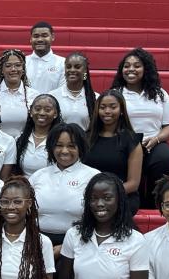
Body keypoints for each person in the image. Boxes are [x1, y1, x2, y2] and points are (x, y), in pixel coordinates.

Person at [111, 47, 169, 208]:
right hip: (125, 144)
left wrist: (156, 139)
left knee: (168, 159)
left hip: (153, 142)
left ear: (146, 69)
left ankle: (156, 203)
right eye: (127, 66)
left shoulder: (159, 94)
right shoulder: (115, 93)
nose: (131, 69)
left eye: (137, 65)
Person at [29, 123, 99, 252]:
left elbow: (98, 220)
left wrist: (64, 248)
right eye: (59, 145)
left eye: (71, 146)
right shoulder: (37, 176)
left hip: (80, 243)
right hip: (37, 243)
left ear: (81, 148)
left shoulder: (93, 177)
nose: (64, 151)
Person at [84, 90, 143, 215]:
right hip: (88, 194)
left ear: (121, 110)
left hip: (121, 195)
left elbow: (133, 184)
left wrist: (105, 195)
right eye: (103, 107)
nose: (107, 111)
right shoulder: (86, 138)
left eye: (113, 107)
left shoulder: (132, 140)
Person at [0, 49, 40, 138]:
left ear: (23, 69)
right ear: (1, 70)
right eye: (8, 66)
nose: (13, 69)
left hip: (25, 145)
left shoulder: (34, 96)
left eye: (18, 65)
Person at [14, 93, 64, 177]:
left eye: (47, 110)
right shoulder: (19, 139)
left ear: (55, 113)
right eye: (37, 109)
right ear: (30, 112)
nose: (41, 113)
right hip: (24, 187)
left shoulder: (60, 139)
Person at [51, 52, 97, 131]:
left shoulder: (95, 98)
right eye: (68, 67)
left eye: (77, 67)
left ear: (85, 70)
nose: (72, 70)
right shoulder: (52, 96)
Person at [26, 21, 66, 93]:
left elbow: (62, 91)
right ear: (31, 39)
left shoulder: (63, 63)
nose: (40, 39)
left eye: (44, 36)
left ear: (52, 37)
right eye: (36, 36)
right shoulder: (22, 62)